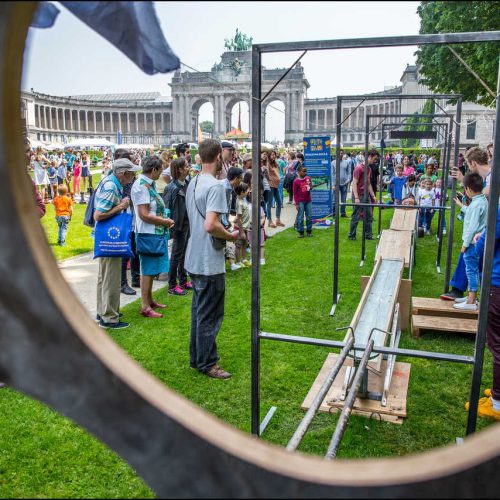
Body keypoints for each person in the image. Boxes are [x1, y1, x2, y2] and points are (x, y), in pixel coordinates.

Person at [184, 139, 239, 379]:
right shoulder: (216, 186)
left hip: (193, 256)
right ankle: (208, 363)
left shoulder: (193, 181)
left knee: (199, 312)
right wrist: (230, 235)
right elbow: (211, 225)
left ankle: (198, 358)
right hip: (208, 260)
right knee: (210, 315)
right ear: (218, 156)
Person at [94, 157, 141, 329]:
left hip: (104, 238)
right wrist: (120, 207)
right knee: (111, 278)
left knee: (105, 277)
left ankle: (104, 311)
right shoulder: (112, 187)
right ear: (123, 174)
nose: (133, 175)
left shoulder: (109, 182)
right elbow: (98, 215)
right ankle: (110, 318)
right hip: (110, 239)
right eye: (131, 173)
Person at [441, 146, 492, 301]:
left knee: (473, 259)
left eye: (469, 166)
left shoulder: (492, 176)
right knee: (471, 260)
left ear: (473, 163)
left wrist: (466, 182)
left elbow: (485, 194)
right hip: (484, 226)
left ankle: (473, 296)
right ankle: (468, 293)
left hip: (486, 227)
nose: (470, 169)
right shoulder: (487, 177)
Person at [465, 205, 500, 420]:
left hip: (497, 282)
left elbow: (484, 245)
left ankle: (497, 402)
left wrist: (479, 240)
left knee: (496, 343)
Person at [131, 155, 174, 318]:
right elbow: (144, 214)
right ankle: (145, 306)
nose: (161, 174)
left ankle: (149, 300)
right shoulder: (142, 186)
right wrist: (164, 221)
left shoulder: (148, 184)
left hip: (153, 232)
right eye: (160, 170)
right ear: (154, 169)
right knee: (148, 269)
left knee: (151, 268)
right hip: (147, 232)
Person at [452, 173, 488, 311]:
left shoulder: (476, 204)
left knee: (471, 270)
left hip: (472, 244)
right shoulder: (482, 200)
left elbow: (472, 227)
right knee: (472, 269)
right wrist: (461, 205)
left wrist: (465, 244)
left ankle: (471, 300)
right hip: (477, 243)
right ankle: (470, 295)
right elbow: (473, 214)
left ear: (468, 189)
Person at [163, 157, 192, 295]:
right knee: (176, 255)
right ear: (180, 169)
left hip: (187, 224)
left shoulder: (187, 183)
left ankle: (183, 280)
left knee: (184, 253)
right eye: (186, 166)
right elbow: (168, 208)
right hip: (178, 226)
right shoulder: (172, 187)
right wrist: (172, 226)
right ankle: (172, 285)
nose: (189, 167)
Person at [115, 149, 141, 296]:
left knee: (133, 249)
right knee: (125, 252)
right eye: (131, 159)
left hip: (131, 217)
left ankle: (135, 278)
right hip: (123, 219)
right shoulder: (119, 179)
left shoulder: (131, 177)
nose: (134, 162)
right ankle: (123, 283)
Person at [348, 149, 379, 241]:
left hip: (366, 195)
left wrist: (373, 196)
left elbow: (368, 183)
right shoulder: (359, 168)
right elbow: (354, 183)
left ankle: (368, 235)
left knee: (369, 216)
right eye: (375, 158)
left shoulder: (369, 168)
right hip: (359, 195)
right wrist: (356, 197)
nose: (375, 160)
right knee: (356, 216)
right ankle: (351, 235)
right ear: (369, 157)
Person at [233, 182, 251, 269]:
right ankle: (238, 262)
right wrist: (241, 232)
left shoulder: (243, 199)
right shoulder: (239, 203)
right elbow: (239, 218)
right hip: (241, 228)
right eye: (247, 190)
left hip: (245, 227)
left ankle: (244, 260)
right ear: (242, 192)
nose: (249, 191)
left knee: (245, 243)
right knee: (238, 245)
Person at [293, 164, 313, 238]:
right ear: (299, 172)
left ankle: (309, 231)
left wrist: (309, 187)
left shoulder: (308, 178)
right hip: (300, 201)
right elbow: (295, 193)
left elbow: (311, 187)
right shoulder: (296, 181)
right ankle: (301, 232)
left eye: (306, 171)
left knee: (309, 216)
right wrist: (297, 204)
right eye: (304, 171)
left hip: (308, 200)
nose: (305, 173)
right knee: (300, 217)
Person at [266, 151, 284, 228]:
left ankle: (278, 220)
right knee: (269, 204)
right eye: (272, 154)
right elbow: (266, 173)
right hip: (271, 185)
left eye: (274, 154)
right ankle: (269, 221)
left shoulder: (275, 163)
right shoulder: (268, 163)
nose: (274, 156)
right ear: (269, 155)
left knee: (279, 203)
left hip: (276, 185)